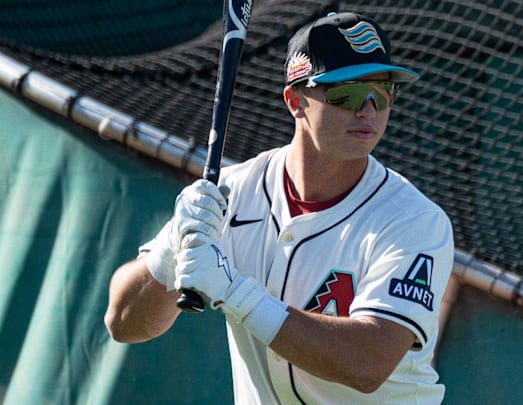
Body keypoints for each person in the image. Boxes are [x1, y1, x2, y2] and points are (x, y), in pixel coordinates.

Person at [104, 11, 454, 404]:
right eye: (348, 93)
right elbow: (123, 323)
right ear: (295, 101)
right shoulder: (233, 193)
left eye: (383, 91)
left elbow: (368, 363)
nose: (369, 111)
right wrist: (170, 251)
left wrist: (235, 294)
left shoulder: (414, 221)